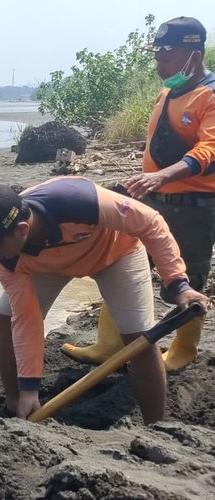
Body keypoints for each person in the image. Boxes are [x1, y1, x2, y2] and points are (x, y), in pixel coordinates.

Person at [0, 177, 208, 424]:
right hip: (48, 265)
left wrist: (178, 284)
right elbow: (27, 319)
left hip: (115, 253)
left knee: (139, 338)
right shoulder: (5, 259)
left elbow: (150, 222)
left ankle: (156, 426)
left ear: (22, 230)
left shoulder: (78, 201)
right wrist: (29, 388)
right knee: (4, 319)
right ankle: (16, 406)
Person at [61, 16, 215, 372]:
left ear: (192, 53)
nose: (159, 62)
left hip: (193, 205)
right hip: (152, 198)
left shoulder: (209, 94)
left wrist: (163, 175)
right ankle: (108, 343)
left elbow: (209, 150)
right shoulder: (167, 93)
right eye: (156, 53)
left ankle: (183, 350)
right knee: (122, 264)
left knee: (188, 276)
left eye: (166, 53)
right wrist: (149, 177)